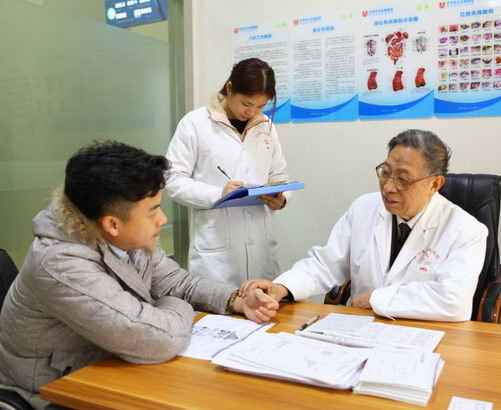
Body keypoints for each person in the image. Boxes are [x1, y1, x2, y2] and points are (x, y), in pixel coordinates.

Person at [0, 142, 278, 407]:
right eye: (153, 211)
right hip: (55, 388)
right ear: (112, 224)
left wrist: (236, 300)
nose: (163, 220)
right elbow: (158, 340)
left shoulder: (121, 232)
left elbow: (176, 281)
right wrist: (175, 304)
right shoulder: (61, 264)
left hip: (113, 363)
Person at [241, 129, 488, 322]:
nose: (389, 187)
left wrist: (378, 299)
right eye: (385, 173)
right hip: (362, 328)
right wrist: (281, 287)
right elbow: (326, 264)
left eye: (403, 179)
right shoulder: (363, 207)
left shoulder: (466, 230)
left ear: (435, 184)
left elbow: (453, 301)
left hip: (427, 336)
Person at [165, 58, 290, 287]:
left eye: (260, 106)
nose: (251, 111)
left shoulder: (266, 125)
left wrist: (280, 199)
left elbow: (279, 176)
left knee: (265, 303)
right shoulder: (195, 123)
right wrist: (217, 194)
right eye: (246, 103)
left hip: (261, 248)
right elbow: (172, 180)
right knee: (219, 304)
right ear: (230, 88)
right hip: (216, 254)